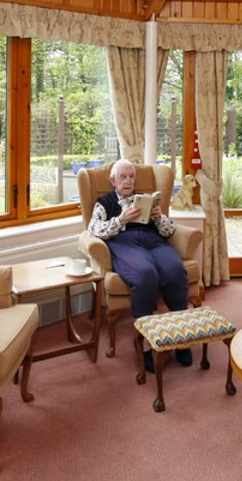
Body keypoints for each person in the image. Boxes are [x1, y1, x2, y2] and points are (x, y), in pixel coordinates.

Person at [88, 159, 191, 371]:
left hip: (152, 241)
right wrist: (120, 220)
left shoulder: (145, 200)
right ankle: (145, 344)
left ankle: (181, 339)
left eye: (131, 177)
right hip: (124, 242)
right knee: (145, 275)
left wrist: (159, 217)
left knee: (175, 270)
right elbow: (93, 230)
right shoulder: (105, 203)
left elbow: (168, 231)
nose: (128, 181)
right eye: (123, 177)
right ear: (112, 180)